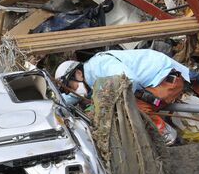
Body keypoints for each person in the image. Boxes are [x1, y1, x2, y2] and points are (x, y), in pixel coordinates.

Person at [54, 49, 192, 143]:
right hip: (152, 83)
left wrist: (107, 106)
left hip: (165, 78)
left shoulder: (100, 65)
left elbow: (130, 81)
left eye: (71, 87)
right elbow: (73, 96)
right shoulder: (88, 79)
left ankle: (167, 137)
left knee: (129, 109)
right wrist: (56, 106)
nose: (74, 91)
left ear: (78, 73)